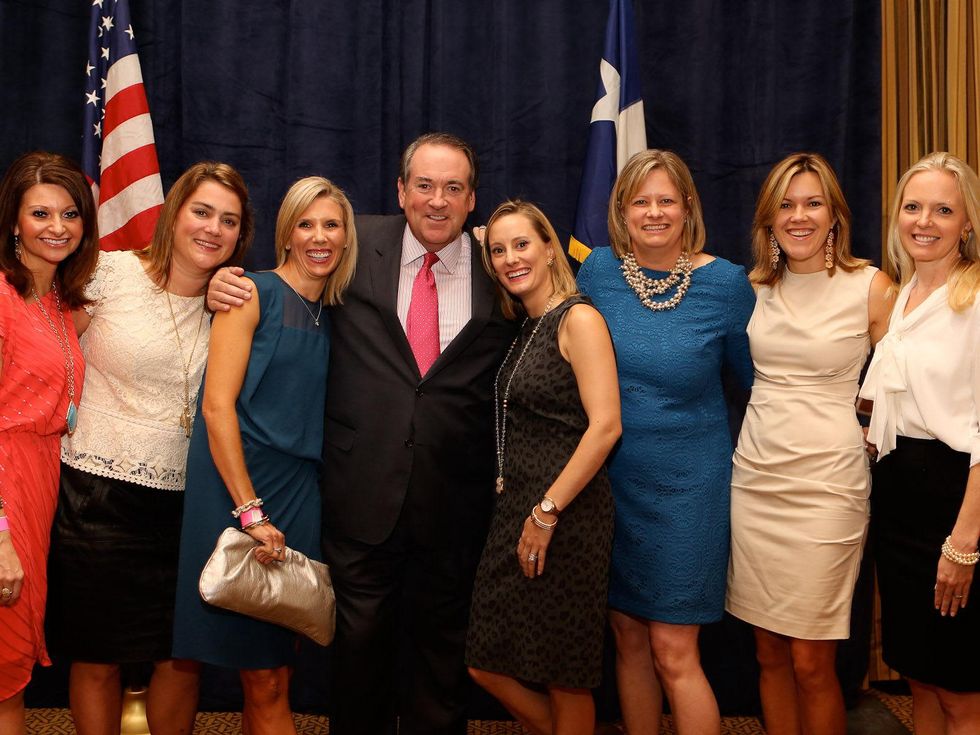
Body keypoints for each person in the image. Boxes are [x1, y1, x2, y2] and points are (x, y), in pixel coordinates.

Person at [208, 132, 514, 735]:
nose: (437, 200)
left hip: (454, 501)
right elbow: (291, 284)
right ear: (400, 191)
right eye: (424, 185)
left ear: (472, 198)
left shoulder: (501, 263)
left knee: (440, 666)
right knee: (357, 663)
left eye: (453, 188)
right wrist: (221, 286)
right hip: (359, 493)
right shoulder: (351, 243)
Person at [46, 162, 253, 735]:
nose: (213, 229)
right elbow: (47, 353)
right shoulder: (108, 273)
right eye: (202, 212)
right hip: (96, 500)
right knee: (97, 656)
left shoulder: (236, 302)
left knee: (180, 656)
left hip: (189, 506)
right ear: (172, 214)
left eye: (229, 220)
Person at [576, 149, 754, 735]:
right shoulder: (597, 272)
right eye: (641, 201)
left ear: (688, 208)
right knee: (627, 638)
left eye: (666, 201)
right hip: (612, 485)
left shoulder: (726, 284)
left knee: (674, 650)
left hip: (689, 491)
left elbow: (753, 384)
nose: (654, 212)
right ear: (622, 211)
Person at [172, 176, 357, 733]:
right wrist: (249, 511)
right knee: (264, 676)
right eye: (306, 224)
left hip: (299, 493)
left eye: (331, 225)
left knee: (278, 669)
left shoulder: (337, 311)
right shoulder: (252, 293)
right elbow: (216, 408)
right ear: (287, 233)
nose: (319, 237)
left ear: (347, 236)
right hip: (238, 489)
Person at [724, 153, 893, 735]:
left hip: (829, 487)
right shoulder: (750, 290)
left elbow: (905, 379)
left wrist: (872, 427)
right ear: (769, 219)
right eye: (786, 205)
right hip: (756, 481)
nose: (799, 216)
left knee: (812, 662)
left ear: (834, 215)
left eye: (813, 203)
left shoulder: (871, 286)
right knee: (768, 653)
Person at [464, 200, 620, 734]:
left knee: (563, 673)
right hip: (520, 508)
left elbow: (606, 427)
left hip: (567, 514)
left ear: (551, 248)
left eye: (523, 244)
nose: (510, 258)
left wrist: (548, 512)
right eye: (498, 250)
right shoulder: (527, 325)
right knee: (486, 662)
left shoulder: (579, 319)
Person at [860, 152, 980, 734]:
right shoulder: (902, 296)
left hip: (956, 506)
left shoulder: (974, 302)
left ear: (968, 223)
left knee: (960, 691)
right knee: (919, 676)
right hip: (899, 499)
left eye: (943, 210)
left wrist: (964, 544)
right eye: (913, 207)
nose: (924, 221)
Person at [0, 151, 98, 733]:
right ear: (14, 221)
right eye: (40, 213)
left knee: (11, 669)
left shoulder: (61, 303)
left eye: (70, 213)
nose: (57, 227)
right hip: (6, 490)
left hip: (40, 489)